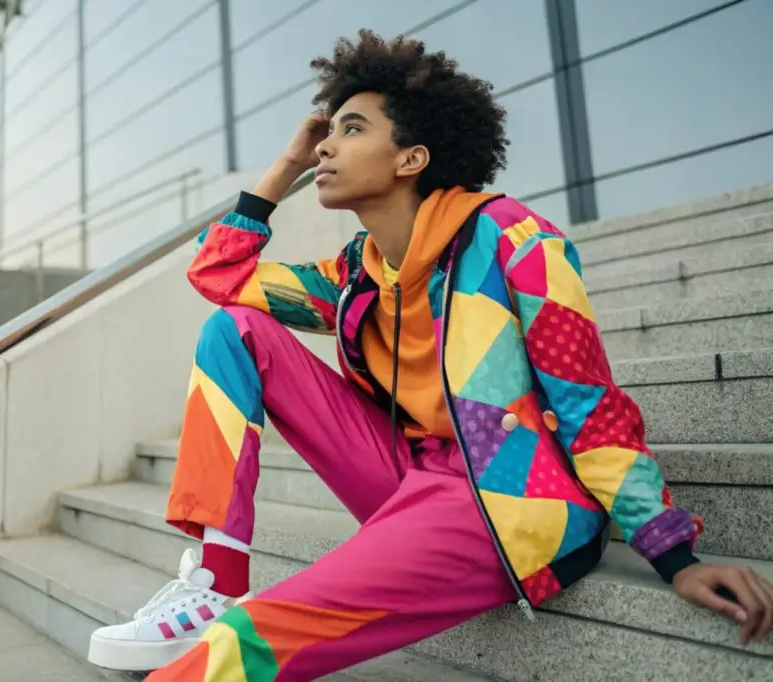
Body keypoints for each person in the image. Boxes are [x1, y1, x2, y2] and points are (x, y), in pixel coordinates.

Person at [87, 30, 773, 680]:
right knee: (233, 330)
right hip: (403, 475)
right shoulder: (357, 271)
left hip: (499, 497)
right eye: (326, 135)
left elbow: (589, 407)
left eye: (351, 129)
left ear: (412, 158)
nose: (326, 147)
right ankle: (217, 582)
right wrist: (285, 166)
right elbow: (220, 280)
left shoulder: (517, 242)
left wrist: (672, 551)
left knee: (252, 641)